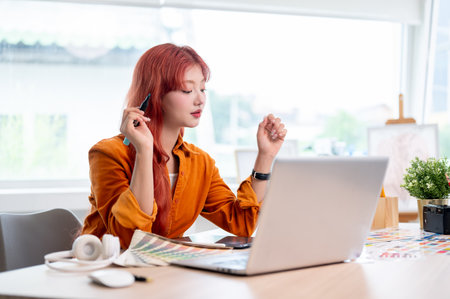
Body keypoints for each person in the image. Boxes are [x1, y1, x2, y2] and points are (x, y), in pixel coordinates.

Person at [81, 43, 287, 248]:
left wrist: (265, 156)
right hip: (108, 270)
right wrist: (145, 150)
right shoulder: (108, 154)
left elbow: (242, 224)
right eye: (187, 90)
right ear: (154, 95)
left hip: (164, 271)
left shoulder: (200, 162)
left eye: (203, 89)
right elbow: (130, 240)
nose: (200, 100)